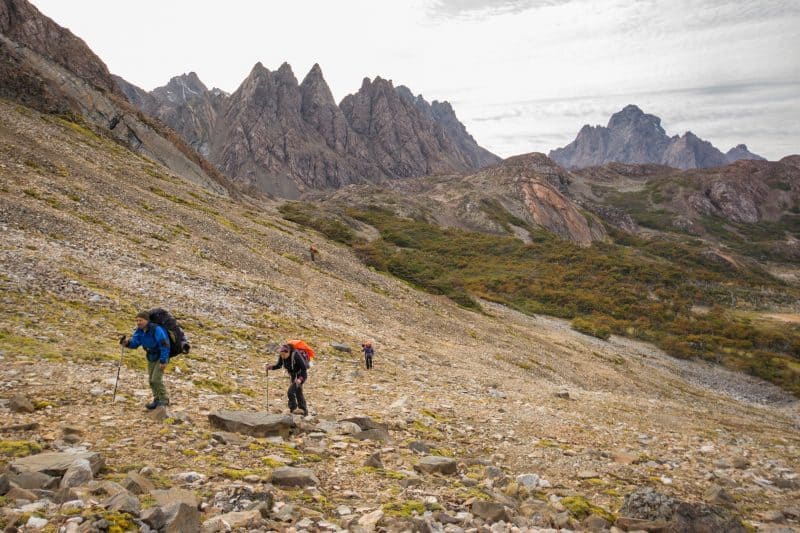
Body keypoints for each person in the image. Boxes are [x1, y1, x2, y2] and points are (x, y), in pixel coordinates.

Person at [120, 310, 170, 409]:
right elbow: (135, 343)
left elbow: (164, 345)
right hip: (151, 356)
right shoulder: (139, 331)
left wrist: (163, 360)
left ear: (147, 320)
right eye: (137, 320)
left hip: (161, 356)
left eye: (141, 320)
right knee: (151, 380)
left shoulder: (156, 329)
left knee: (156, 379)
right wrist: (127, 343)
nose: (138, 322)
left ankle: (164, 400)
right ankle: (157, 400)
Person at [266, 344, 308, 416]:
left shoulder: (295, 356)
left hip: (300, 375)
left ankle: (293, 410)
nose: (283, 357)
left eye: (284, 355)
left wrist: (300, 379)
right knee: (298, 392)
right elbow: (279, 365)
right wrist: (270, 367)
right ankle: (304, 411)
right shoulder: (282, 356)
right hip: (293, 375)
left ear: (288, 352)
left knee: (290, 392)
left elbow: (304, 368)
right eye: (281, 355)